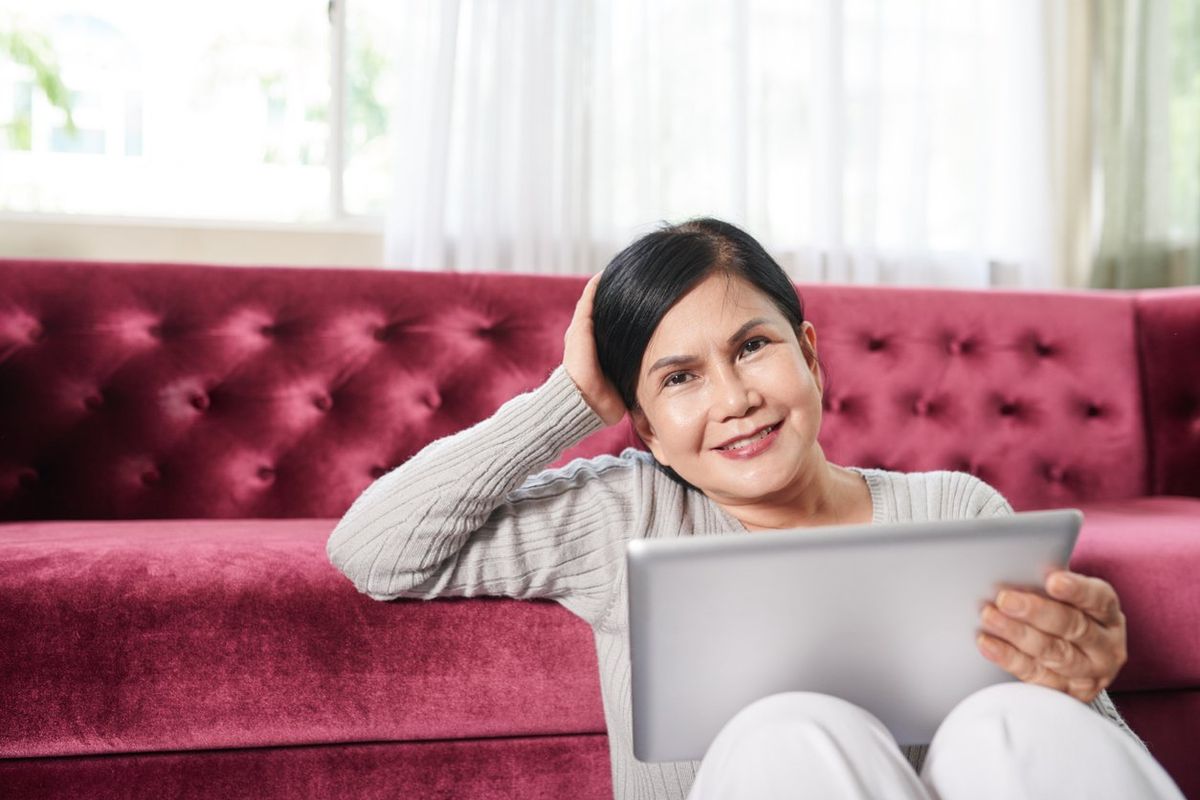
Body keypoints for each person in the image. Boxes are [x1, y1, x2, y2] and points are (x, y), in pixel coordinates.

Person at [326, 218, 1185, 800]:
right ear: (650, 429)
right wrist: (569, 399)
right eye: (680, 378)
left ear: (809, 356)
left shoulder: (954, 508)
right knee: (790, 728)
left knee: (1016, 719)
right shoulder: (624, 512)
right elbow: (373, 547)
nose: (734, 397)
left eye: (752, 347)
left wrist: (1080, 684)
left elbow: (1079, 758)